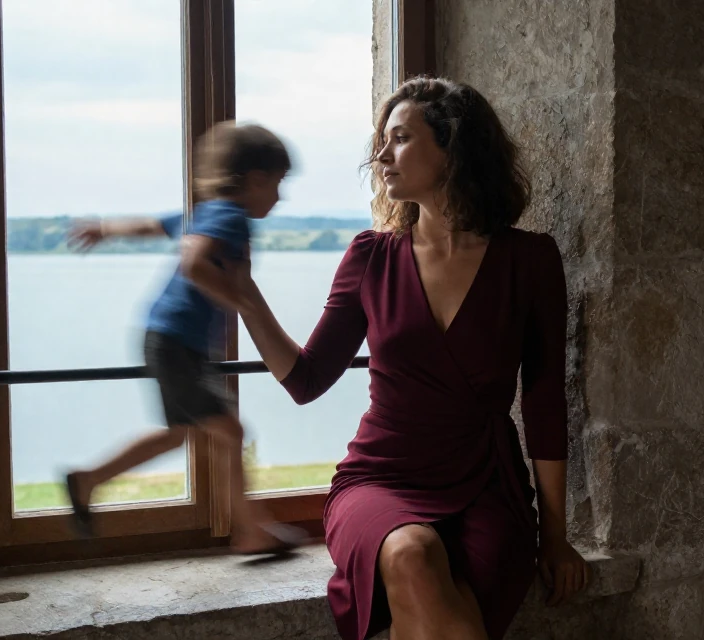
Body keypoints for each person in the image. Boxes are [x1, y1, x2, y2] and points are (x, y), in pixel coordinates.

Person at [232, 77, 591, 639]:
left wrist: (557, 534)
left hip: (488, 484)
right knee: (411, 553)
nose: (381, 155)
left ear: (453, 147)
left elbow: (545, 405)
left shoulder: (531, 260)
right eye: (382, 140)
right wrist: (247, 298)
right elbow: (306, 380)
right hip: (382, 477)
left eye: (399, 138)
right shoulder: (369, 258)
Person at [62, 121, 305, 556]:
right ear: (255, 179)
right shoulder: (230, 217)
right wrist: (244, 304)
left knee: (181, 433)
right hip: (178, 343)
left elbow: (152, 226)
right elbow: (194, 264)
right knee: (229, 431)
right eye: (278, 183)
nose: (280, 196)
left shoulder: (209, 210)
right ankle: (250, 531)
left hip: (168, 338)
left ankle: (87, 480)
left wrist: (104, 229)